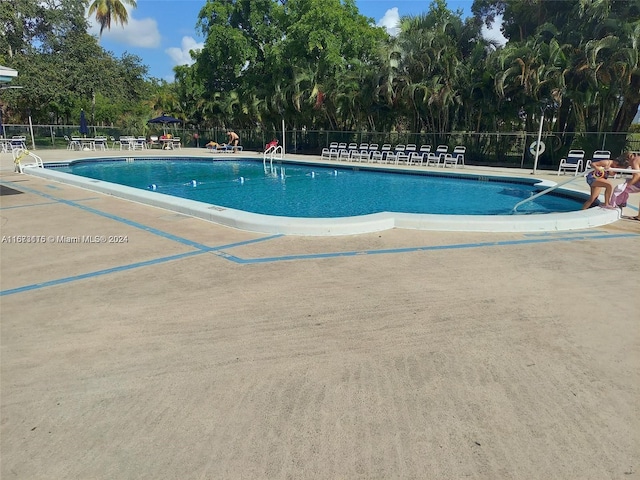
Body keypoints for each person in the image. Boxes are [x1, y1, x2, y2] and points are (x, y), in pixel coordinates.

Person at [608, 152, 640, 220]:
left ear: (628, 159)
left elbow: (637, 175)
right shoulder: (637, 159)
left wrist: (627, 185)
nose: (629, 166)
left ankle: (617, 204)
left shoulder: (634, 161)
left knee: (622, 189)